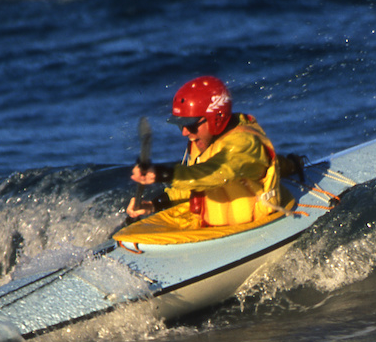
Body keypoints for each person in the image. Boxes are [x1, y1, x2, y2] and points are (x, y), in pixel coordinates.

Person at [126, 75, 294, 232]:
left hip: (257, 228)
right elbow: (195, 182)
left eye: (190, 125)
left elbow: (217, 172)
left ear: (216, 117)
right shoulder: (202, 141)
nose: (184, 132)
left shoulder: (244, 143)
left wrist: (163, 174)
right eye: (180, 125)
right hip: (213, 230)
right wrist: (154, 204)